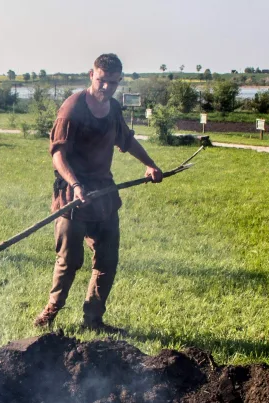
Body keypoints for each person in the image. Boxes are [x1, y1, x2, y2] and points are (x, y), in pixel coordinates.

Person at [33, 53, 163, 334]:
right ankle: (51, 311)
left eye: (113, 84)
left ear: (119, 82)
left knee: (107, 260)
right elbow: (57, 154)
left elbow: (126, 141)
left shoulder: (114, 109)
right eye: (102, 81)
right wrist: (76, 185)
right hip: (72, 196)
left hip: (104, 194)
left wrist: (150, 165)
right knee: (69, 260)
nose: (106, 88)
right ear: (91, 75)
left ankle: (93, 319)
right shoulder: (72, 109)